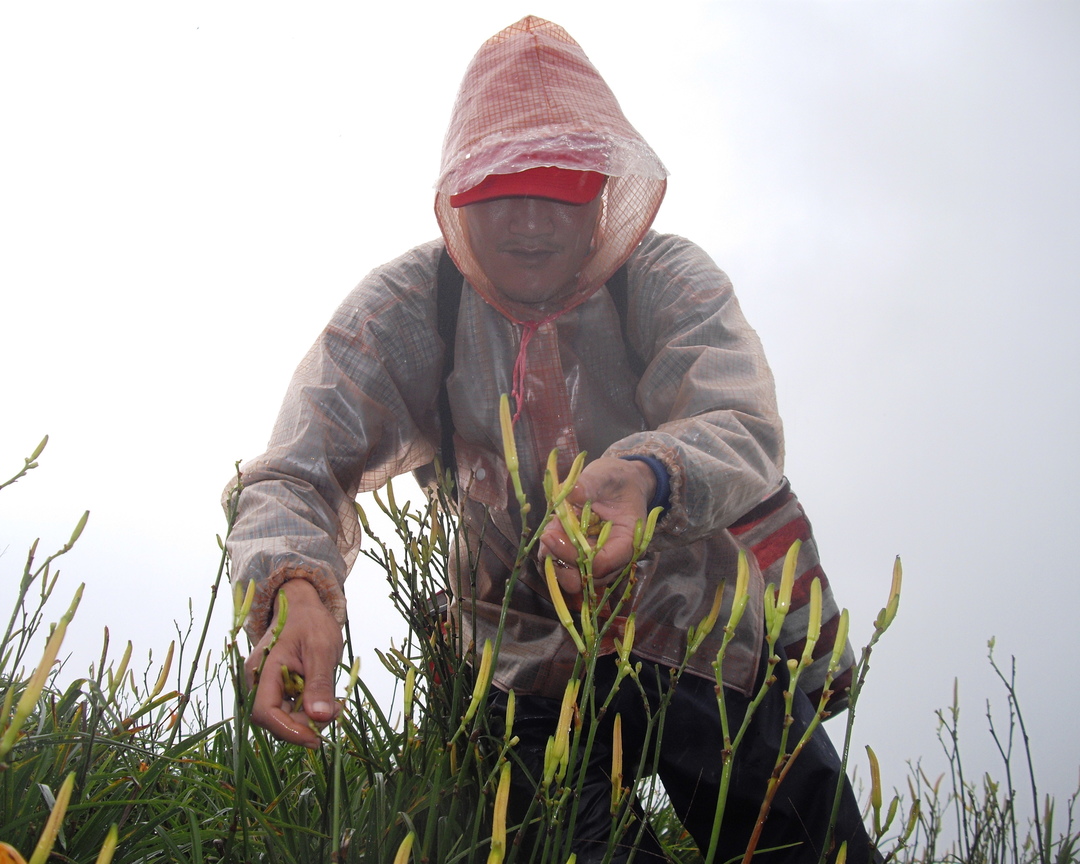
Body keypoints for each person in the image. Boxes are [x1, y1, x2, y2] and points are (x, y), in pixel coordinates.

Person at [226, 16, 879, 864]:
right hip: (517, 671)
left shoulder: (666, 279)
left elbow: (740, 420)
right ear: (458, 192)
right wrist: (295, 584)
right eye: (500, 184)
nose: (530, 218)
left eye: (562, 182)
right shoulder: (413, 310)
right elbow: (293, 469)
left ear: (603, 186)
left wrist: (647, 474)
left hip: (704, 641)